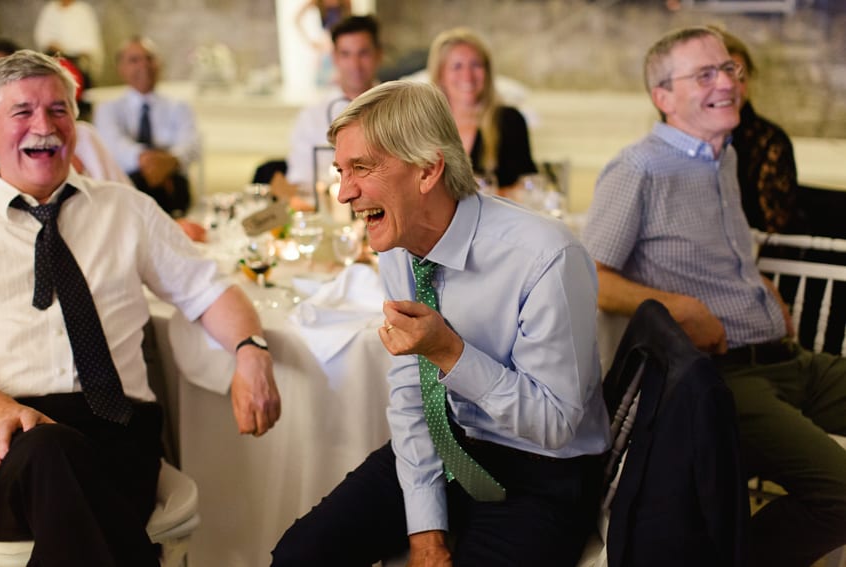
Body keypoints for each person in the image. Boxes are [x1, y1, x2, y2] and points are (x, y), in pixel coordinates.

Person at [271, 80, 609, 566]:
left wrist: (449, 352)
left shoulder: (545, 257)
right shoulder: (398, 240)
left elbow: (555, 426)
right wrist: (425, 528)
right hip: (444, 442)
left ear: (428, 170)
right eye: (341, 171)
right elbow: (413, 392)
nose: (345, 193)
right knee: (297, 557)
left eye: (361, 168)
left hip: (540, 472)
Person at [0, 50, 280, 564]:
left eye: (59, 110)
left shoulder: (125, 209)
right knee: (49, 450)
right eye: (23, 112)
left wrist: (251, 349)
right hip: (9, 440)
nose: (45, 126)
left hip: (117, 434)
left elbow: (207, 289)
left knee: (70, 478)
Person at [581, 26, 846, 566]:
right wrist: (679, 308)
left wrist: (758, 287)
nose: (726, 82)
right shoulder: (638, 169)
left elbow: (722, 255)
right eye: (705, 74)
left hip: (788, 360)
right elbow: (592, 279)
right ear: (663, 96)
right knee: (842, 496)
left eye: (729, 69)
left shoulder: (721, 157)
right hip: (723, 378)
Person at [94, 36, 201, 220]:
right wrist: (148, 160)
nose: (144, 65)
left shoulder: (179, 107)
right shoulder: (108, 109)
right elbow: (114, 146)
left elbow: (191, 144)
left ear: (159, 64)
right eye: (134, 60)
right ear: (121, 68)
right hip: (126, 189)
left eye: (149, 58)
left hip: (173, 187)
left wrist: (170, 162)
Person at [278, 14, 382, 202]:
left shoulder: (400, 112)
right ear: (334, 57)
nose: (355, 65)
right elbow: (300, 181)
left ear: (378, 54)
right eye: (346, 54)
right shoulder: (311, 118)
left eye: (363, 53)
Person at [427, 27, 537, 191]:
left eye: (476, 65)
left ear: (487, 71)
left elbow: (528, 188)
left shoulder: (510, 121)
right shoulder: (424, 126)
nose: (467, 75)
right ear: (440, 74)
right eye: (457, 66)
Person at [717, 27, 801, 234]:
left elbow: (776, 233)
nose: (731, 87)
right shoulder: (681, 141)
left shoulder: (770, 142)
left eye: (741, 79)